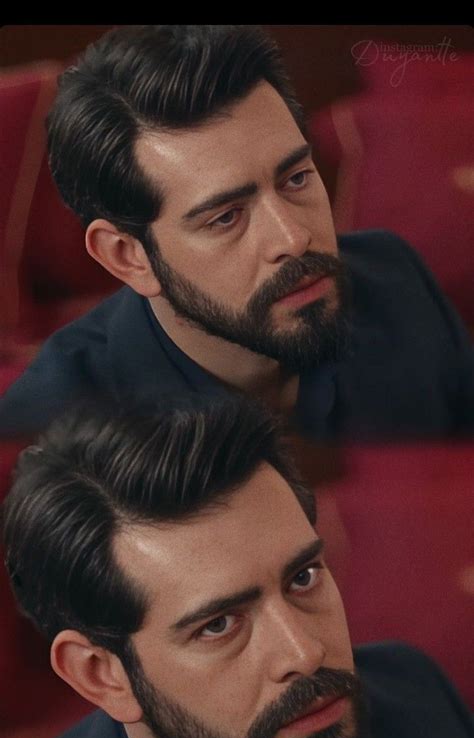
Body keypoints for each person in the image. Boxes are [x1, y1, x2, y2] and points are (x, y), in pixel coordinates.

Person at [1, 393, 473, 738]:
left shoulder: (417, 699)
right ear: (102, 675)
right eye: (219, 625)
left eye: (303, 577)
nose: (305, 653)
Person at [1, 25, 473, 441]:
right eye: (225, 216)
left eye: (295, 179)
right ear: (129, 257)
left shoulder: (393, 277)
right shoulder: (46, 430)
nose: (293, 238)